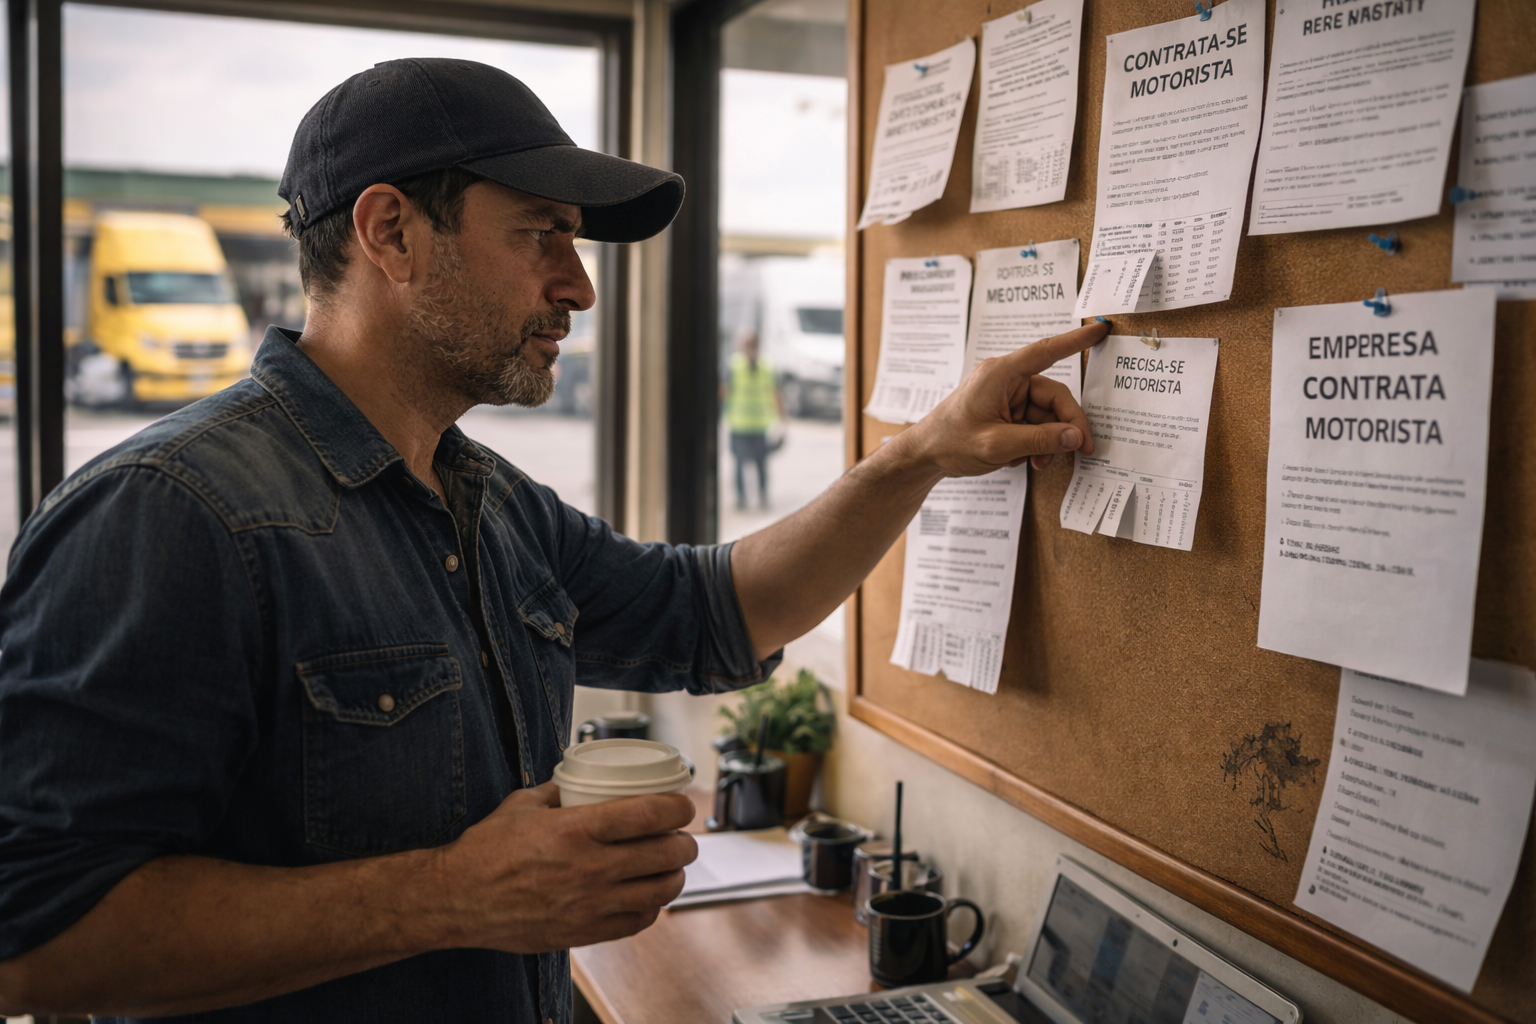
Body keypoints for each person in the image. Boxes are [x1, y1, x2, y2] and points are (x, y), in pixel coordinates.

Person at [0, 59, 1105, 1023]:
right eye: (542, 235)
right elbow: (31, 936)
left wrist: (921, 454)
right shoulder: (168, 513)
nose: (577, 287)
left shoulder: (489, 500)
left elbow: (716, 610)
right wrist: (453, 892)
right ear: (391, 231)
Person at [722, 328, 786, 511]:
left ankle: (745, 499)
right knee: (758, 463)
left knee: (744, 463)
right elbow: (776, 394)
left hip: (742, 422)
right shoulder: (767, 364)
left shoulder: (733, 364)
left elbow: (723, 391)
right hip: (756, 423)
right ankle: (758, 497)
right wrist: (782, 419)